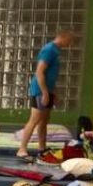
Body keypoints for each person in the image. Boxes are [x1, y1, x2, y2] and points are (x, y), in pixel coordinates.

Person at [17, 31, 75, 162]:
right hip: (39, 90)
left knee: (44, 120)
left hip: (48, 90)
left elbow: (51, 75)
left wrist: (54, 92)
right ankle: (22, 149)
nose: (69, 44)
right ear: (63, 37)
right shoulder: (49, 50)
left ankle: (42, 148)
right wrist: (44, 92)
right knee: (35, 119)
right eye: (69, 40)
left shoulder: (56, 51)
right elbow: (40, 72)